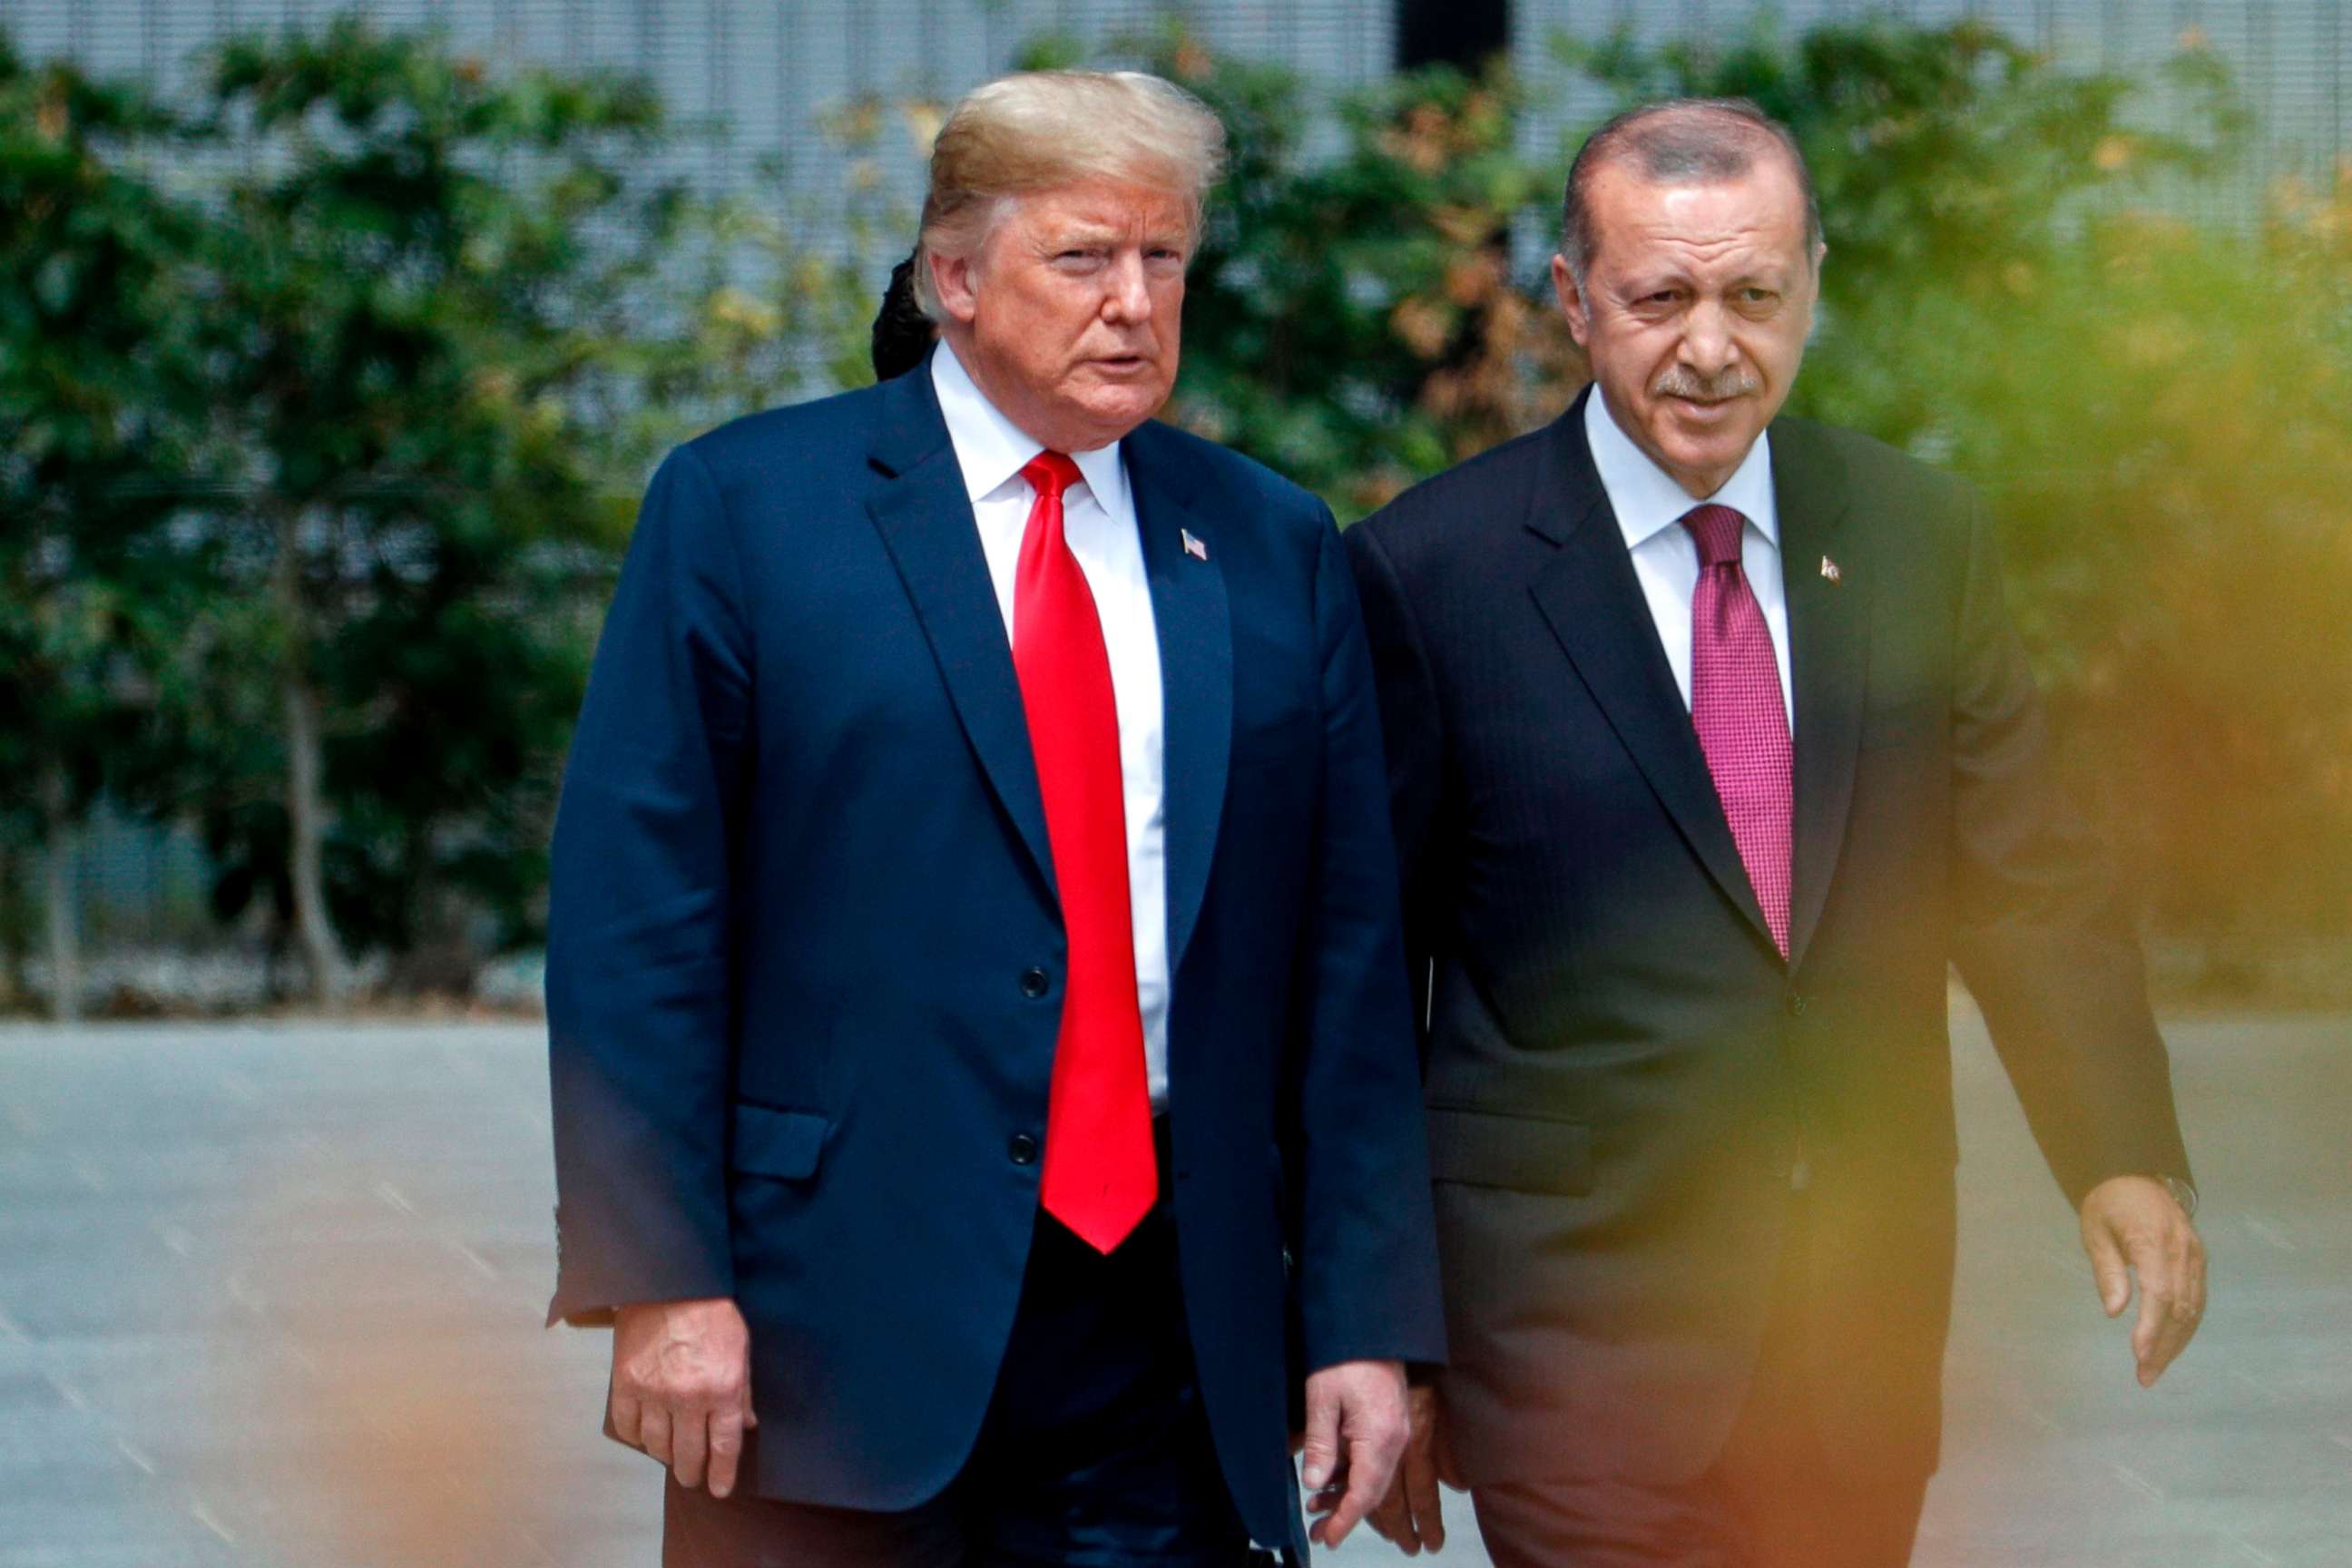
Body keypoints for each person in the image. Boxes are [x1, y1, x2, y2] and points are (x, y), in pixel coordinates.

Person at [544, 68, 1445, 1566]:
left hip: (1176, 1324)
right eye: (1084, 259)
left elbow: (1347, 964)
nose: (1135, 304)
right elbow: (638, 922)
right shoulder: (749, 511)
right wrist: (661, 1280)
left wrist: (1362, 1321)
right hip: (834, 1320)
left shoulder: (1270, 541)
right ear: (952, 278)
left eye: (1164, 261)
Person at [1346, 98, 2206, 1567]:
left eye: (1756, 295)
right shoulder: (1429, 575)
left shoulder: (1919, 534)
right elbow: (1361, 980)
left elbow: (2029, 881)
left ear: (1813, 279)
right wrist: (1385, 1336)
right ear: (1571, 298)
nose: (1710, 346)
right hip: (1572, 1335)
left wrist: (2120, 1151)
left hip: (1851, 1327)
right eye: (1659, 297)